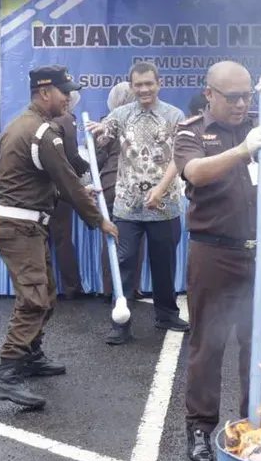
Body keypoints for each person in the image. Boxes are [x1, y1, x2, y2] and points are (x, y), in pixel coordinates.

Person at [173, 62, 261, 461]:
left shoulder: (260, 122)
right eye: (232, 97)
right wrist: (242, 149)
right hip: (214, 253)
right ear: (209, 93)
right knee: (207, 345)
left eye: (247, 96)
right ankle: (200, 428)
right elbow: (195, 172)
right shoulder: (191, 131)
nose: (241, 104)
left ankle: (257, 423)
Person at [0, 65, 119, 410]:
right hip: (20, 228)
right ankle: (7, 374)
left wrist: (79, 193)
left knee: (45, 296)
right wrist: (98, 220)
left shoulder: (20, 126)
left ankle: (31, 355)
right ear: (45, 94)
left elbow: (36, 183)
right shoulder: (43, 133)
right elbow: (67, 180)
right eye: (64, 92)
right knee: (33, 300)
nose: (68, 98)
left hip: (26, 226)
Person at [89, 62, 189, 344]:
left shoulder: (174, 115)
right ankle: (121, 322)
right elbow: (105, 133)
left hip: (165, 203)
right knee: (124, 264)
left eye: (149, 83)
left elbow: (179, 157)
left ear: (159, 84)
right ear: (131, 87)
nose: (144, 89)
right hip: (128, 206)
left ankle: (166, 313)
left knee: (164, 263)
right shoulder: (120, 115)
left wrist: (160, 189)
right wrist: (98, 131)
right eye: (138, 85)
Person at [99, 82, 142, 301]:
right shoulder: (140, 121)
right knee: (136, 236)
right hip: (135, 184)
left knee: (111, 236)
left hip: (109, 185)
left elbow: (97, 157)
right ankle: (130, 287)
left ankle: (110, 288)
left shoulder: (106, 124)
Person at [49, 89, 91, 300]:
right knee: (63, 239)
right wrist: (87, 172)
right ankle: (72, 287)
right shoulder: (67, 120)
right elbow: (72, 155)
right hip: (61, 188)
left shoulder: (42, 119)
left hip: (44, 188)